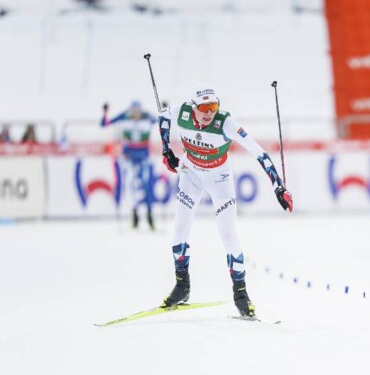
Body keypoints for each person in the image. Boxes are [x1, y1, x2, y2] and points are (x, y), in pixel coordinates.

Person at [158, 84, 293, 318]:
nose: (209, 112)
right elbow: (162, 116)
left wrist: (278, 187)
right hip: (191, 175)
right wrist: (166, 150)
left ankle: (241, 294)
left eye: (213, 106)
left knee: (228, 234)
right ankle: (182, 287)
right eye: (204, 107)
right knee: (180, 229)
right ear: (194, 107)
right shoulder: (182, 112)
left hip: (219, 179)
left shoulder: (225, 123)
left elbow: (259, 153)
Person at [101, 100, 157, 229]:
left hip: (144, 158)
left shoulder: (147, 117)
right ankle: (135, 215)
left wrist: (165, 109)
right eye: (133, 111)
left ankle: (149, 215)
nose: (135, 114)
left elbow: (163, 122)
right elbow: (105, 123)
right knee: (130, 184)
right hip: (129, 158)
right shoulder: (124, 116)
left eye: (137, 111)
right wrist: (105, 112)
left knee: (147, 184)